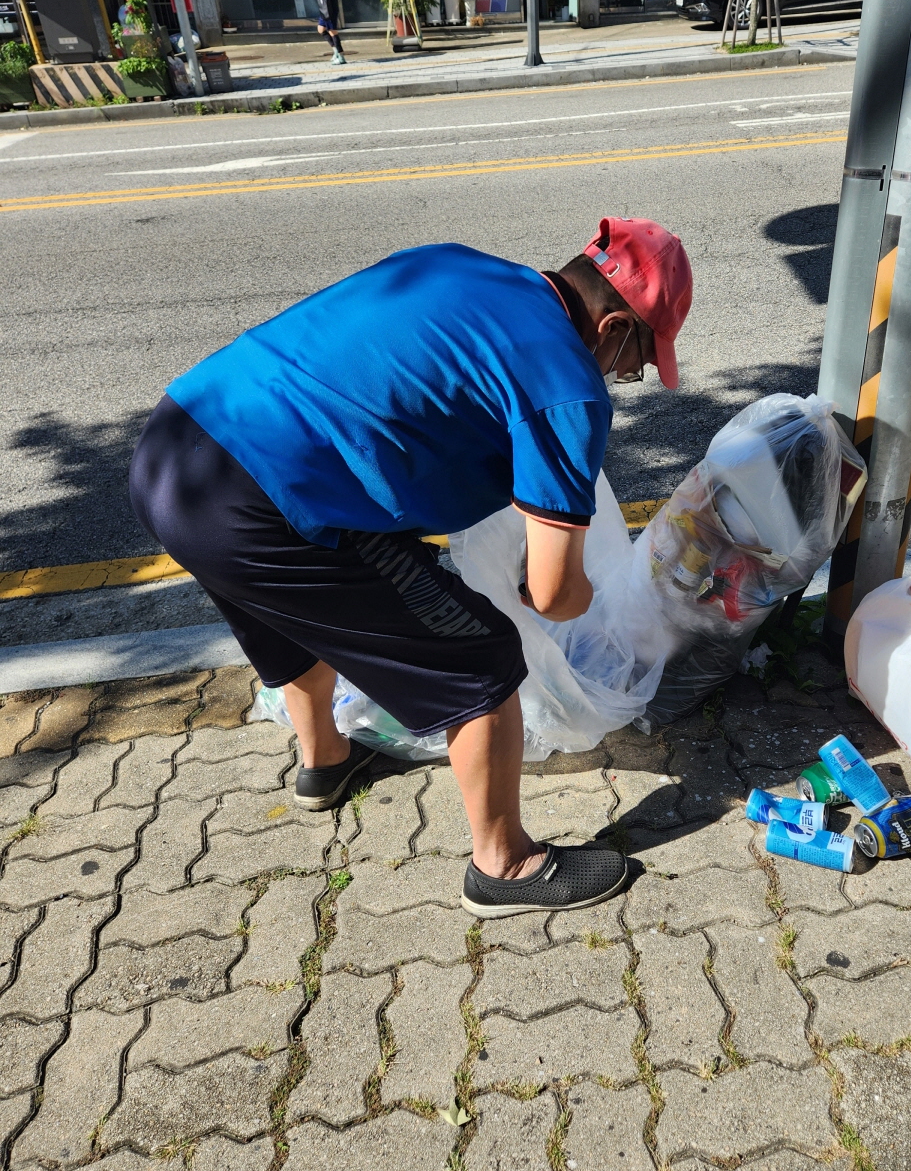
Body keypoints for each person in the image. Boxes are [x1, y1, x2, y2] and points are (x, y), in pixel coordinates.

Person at [128, 220, 692, 918]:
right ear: (610, 328)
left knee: (298, 615)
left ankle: (325, 764)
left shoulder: (457, 263)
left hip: (174, 455)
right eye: (634, 360)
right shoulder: (566, 383)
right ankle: (505, 865)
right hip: (266, 505)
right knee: (481, 657)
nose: (621, 376)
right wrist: (577, 598)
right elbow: (551, 595)